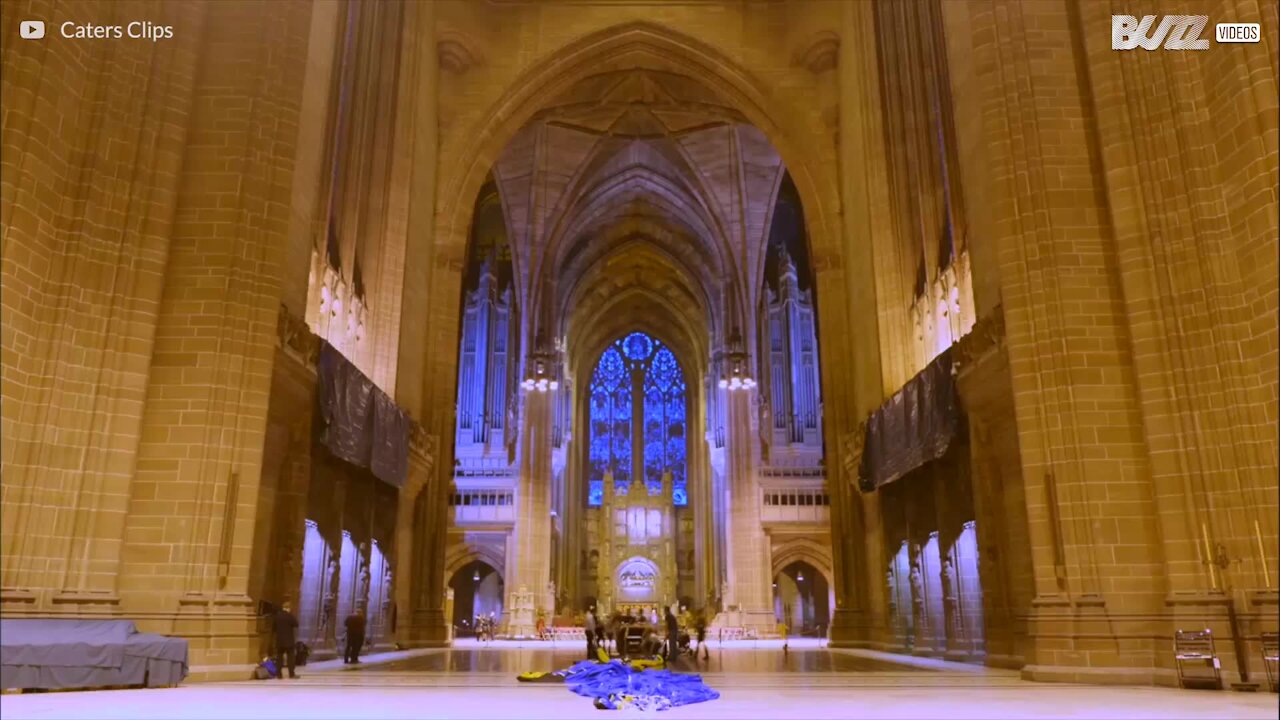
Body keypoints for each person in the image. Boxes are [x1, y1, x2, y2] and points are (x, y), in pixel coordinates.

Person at [273, 601, 300, 679]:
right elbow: (296, 624)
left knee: (279, 658)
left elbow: (274, 628)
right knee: (291, 657)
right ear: (289, 608)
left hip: (279, 641)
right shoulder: (290, 616)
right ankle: (291, 674)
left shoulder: (277, 616)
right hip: (289, 641)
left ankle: (279, 674)